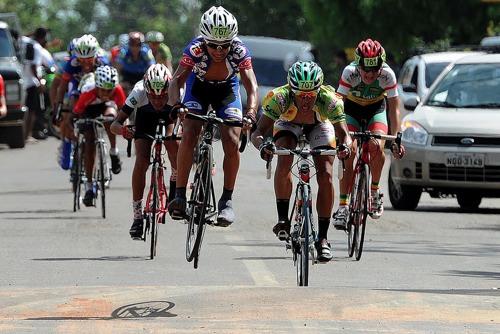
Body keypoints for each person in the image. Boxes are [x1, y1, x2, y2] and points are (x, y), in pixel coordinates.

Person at [167, 6, 258, 227]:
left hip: (226, 91)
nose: (219, 50)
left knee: (232, 140)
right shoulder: (195, 49)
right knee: (188, 134)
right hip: (197, 88)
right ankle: (180, 195)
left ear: (232, 42)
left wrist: (251, 114)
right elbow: (176, 80)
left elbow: (252, 87)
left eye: (224, 45)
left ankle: (226, 201)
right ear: (204, 40)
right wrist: (176, 105)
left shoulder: (239, 51)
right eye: (213, 46)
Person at [251, 61, 351, 262]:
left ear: (319, 91)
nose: (305, 100)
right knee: (284, 157)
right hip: (288, 124)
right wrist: (263, 146)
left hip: (319, 125)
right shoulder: (278, 98)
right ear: (291, 89)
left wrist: (345, 147)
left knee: (326, 174)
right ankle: (283, 220)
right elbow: (258, 132)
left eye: (310, 95)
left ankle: (322, 238)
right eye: (300, 95)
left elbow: (344, 134)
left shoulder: (330, 100)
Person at [332, 38, 405, 229]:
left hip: (375, 111)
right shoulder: (349, 72)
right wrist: (339, 135)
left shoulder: (388, 75)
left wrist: (397, 137)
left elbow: (394, 109)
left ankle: (374, 192)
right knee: (350, 150)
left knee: (376, 145)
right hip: (351, 111)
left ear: (381, 67)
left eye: (374, 70)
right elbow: (338, 104)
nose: (370, 74)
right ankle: (343, 206)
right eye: (365, 70)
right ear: (358, 65)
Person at [111, 64, 180, 239]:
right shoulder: (138, 92)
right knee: (141, 160)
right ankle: (137, 216)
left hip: (170, 117)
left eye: (162, 97)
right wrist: (124, 131)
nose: (157, 102)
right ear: (146, 90)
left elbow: (188, 125)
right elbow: (115, 125)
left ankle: (175, 177)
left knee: (173, 142)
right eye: (153, 97)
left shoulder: (177, 91)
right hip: (144, 118)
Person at [71, 65, 125, 205]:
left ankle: (113, 151)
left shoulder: (117, 90)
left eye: (110, 90)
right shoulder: (88, 92)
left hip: (106, 107)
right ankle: (89, 187)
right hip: (88, 109)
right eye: (103, 90)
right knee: (89, 142)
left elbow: (125, 111)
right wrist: (77, 123)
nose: (107, 93)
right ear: (97, 86)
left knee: (111, 118)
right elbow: (76, 113)